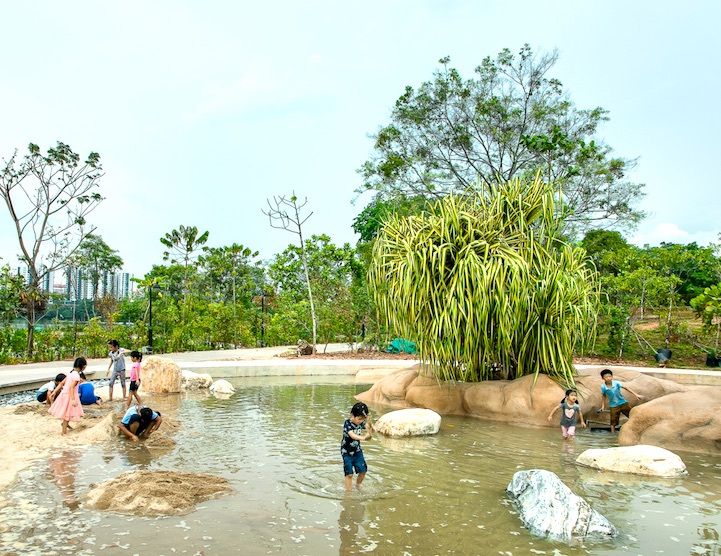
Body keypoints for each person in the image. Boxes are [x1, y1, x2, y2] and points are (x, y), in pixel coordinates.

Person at [599, 369, 644, 434]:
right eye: (606, 377)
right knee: (613, 422)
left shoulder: (616, 383)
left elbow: (626, 388)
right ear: (603, 378)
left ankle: (638, 429)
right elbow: (603, 395)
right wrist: (603, 406)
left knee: (631, 416)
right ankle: (612, 435)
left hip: (623, 402)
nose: (608, 378)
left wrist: (636, 395)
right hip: (613, 405)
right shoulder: (603, 387)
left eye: (609, 376)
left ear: (612, 377)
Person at [48, 358, 85, 435]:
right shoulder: (76, 376)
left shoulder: (70, 373)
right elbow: (71, 387)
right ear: (83, 367)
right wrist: (73, 399)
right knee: (67, 414)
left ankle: (66, 424)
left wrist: (54, 391)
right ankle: (63, 432)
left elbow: (61, 383)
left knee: (68, 411)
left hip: (64, 394)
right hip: (69, 395)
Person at [341, 401, 372, 491]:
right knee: (349, 474)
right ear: (352, 415)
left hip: (357, 451)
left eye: (363, 419)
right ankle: (348, 492)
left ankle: (358, 485)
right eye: (359, 419)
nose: (361, 421)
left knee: (363, 470)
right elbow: (351, 435)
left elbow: (368, 427)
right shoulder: (347, 424)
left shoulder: (361, 423)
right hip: (346, 452)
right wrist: (363, 438)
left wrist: (372, 428)